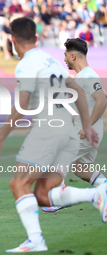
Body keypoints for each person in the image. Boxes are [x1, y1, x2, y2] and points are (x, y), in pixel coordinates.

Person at [0, 17, 103, 253]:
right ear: (37, 38)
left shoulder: (27, 64)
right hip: (67, 133)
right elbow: (77, 91)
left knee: (19, 183)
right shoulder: (51, 61)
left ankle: (96, 194)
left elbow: (22, 105)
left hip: (49, 130)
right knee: (43, 193)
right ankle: (96, 194)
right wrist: (87, 125)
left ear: (12, 40)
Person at [42, 38, 107, 213]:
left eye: (65, 55)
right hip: (89, 132)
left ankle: (58, 200)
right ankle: (105, 192)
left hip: (87, 133)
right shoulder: (82, 77)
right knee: (82, 169)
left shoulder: (88, 75)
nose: (64, 59)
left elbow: (102, 100)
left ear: (72, 56)